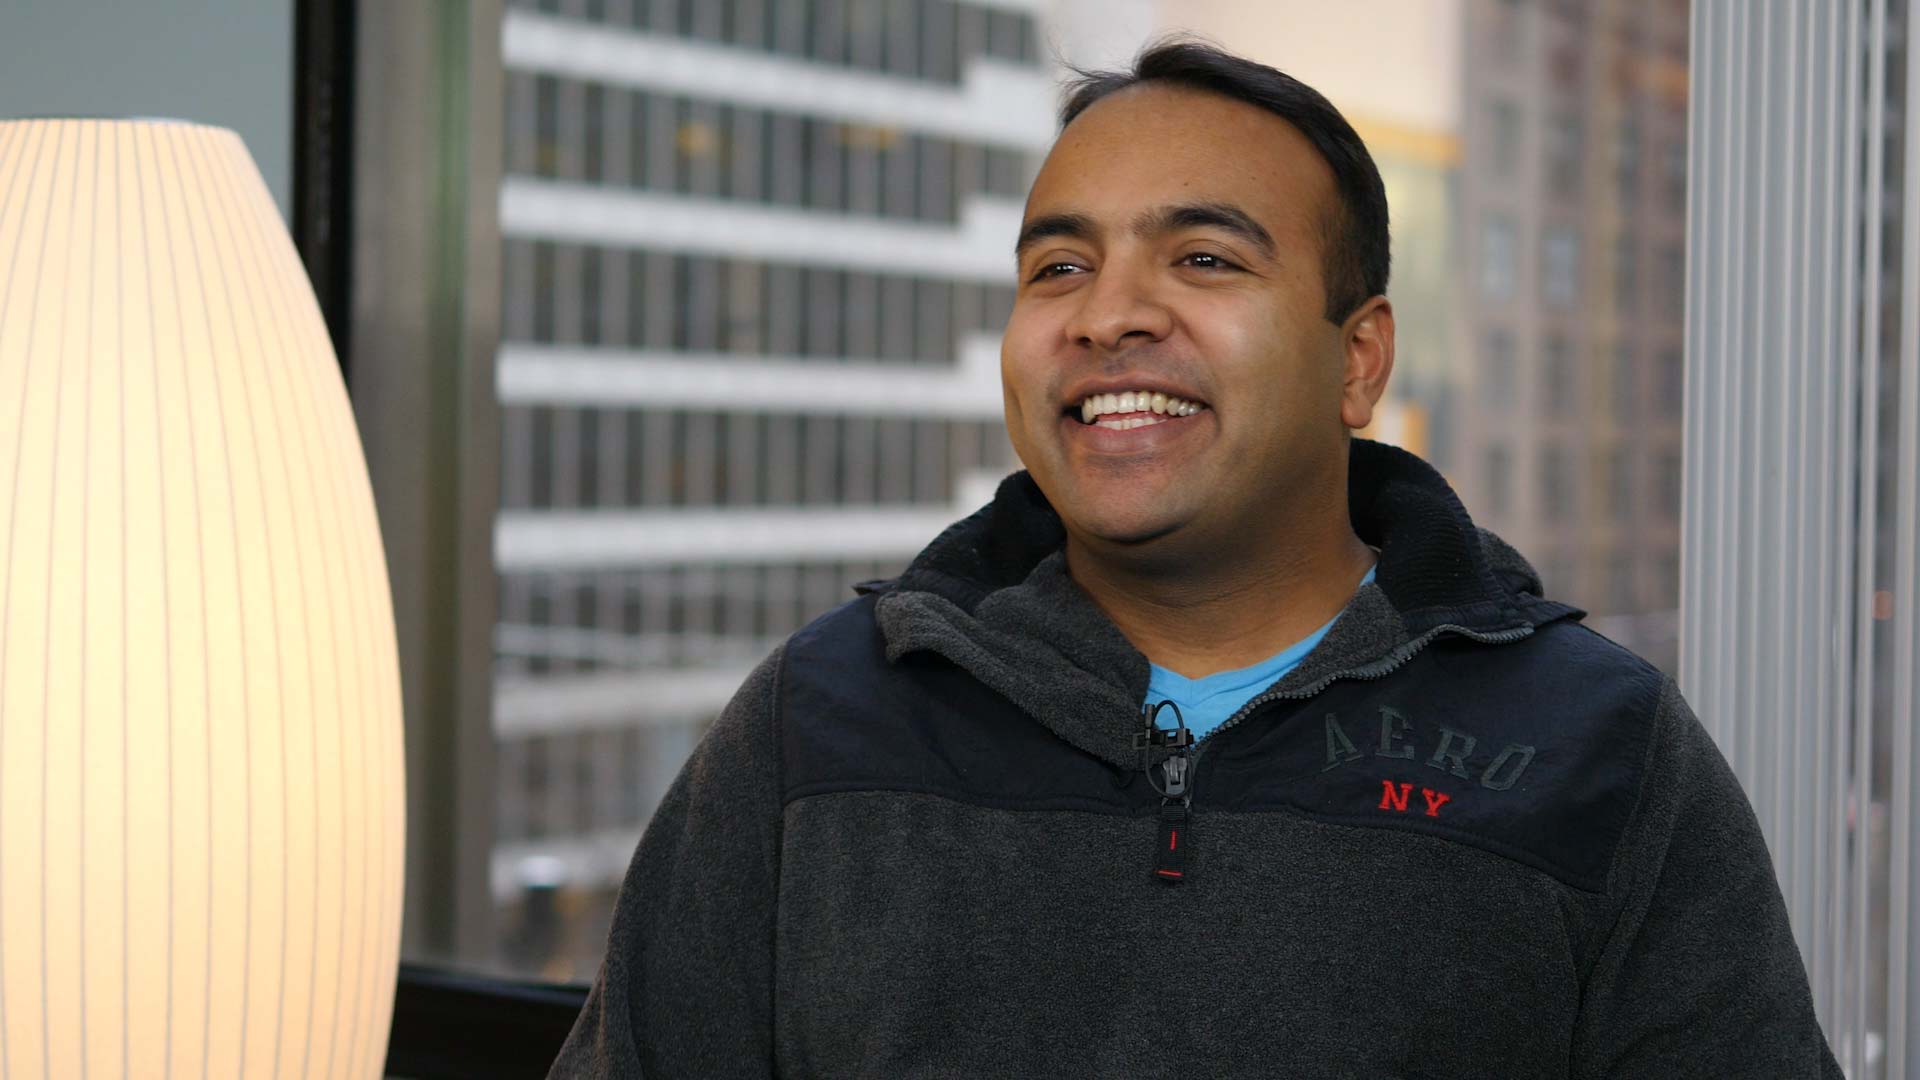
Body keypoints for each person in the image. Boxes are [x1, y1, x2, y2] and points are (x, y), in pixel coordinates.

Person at [548, 40, 1841, 1078]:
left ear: (1359, 360)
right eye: (1060, 265)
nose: (1108, 314)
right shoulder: (815, 728)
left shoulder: (1595, 752)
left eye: (1204, 258)